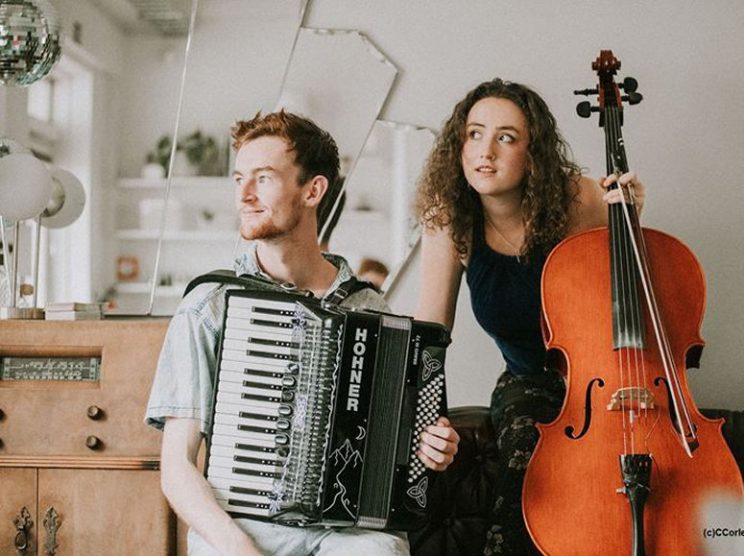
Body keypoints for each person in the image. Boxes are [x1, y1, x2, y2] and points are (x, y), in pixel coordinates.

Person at [145, 110, 459, 556]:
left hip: (349, 535)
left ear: (312, 190)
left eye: (264, 178)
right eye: (239, 179)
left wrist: (433, 447)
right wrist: (238, 546)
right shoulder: (209, 306)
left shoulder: (367, 307)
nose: (245, 195)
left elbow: (404, 448)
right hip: (241, 529)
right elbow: (176, 467)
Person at [414, 79, 645, 555]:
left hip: (612, 374)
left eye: (506, 137)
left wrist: (631, 220)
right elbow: (429, 336)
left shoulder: (581, 199)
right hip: (530, 378)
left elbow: (640, 296)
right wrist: (421, 421)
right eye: (474, 134)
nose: (485, 151)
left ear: (533, 153)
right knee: (528, 470)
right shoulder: (451, 218)